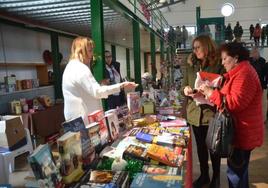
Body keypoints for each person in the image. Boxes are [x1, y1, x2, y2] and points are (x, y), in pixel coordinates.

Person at [199, 42, 264, 188]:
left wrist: (211, 93)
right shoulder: (240, 73)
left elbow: (234, 103)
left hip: (242, 132)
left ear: (235, 58)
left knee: (236, 174)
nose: (222, 63)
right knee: (238, 171)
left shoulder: (244, 74)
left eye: (224, 59)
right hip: (238, 130)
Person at [62, 37, 137, 124]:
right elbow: (97, 92)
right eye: (90, 51)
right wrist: (121, 85)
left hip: (77, 118)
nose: (92, 55)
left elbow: (88, 90)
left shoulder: (71, 67)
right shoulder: (80, 68)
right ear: (81, 51)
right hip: (83, 120)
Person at [182, 35, 224, 188]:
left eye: (198, 47)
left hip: (211, 113)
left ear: (207, 46)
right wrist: (186, 90)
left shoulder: (218, 64)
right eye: (194, 48)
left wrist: (209, 90)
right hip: (194, 113)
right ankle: (204, 175)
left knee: (214, 148)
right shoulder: (191, 64)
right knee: (200, 147)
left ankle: (216, 178)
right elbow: (184, 85)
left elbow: (223, 87)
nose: (195, 50)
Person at [250, 47, 268, 122]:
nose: (254, 54)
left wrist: (265, 83)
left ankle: (262, 118)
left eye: (256, 53)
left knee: (260, 103)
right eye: (253, 53)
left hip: (260, 85)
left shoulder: (262, 61)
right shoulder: (248, 61)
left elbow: (265, 74)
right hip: (250, 86)